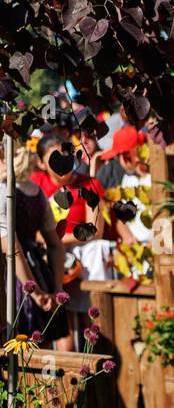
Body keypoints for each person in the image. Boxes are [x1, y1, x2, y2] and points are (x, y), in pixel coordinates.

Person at [30, 132, 108, 350]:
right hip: (47, 261)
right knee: (53, 318)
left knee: (85, 319)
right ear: (41, 163)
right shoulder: (36, 184)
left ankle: (96, 360)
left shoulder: (88, 185)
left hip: (81, 258)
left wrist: (58, 241)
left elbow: (95, 230)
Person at [1, 144, 68, 343]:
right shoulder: (37, 193)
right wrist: (56, 285)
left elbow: (12, 247)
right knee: (40, 340)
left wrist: (36, 292)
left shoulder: (6, 192)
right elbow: (55, 244)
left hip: (14, 271)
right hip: (36, 265)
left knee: (18, 340)